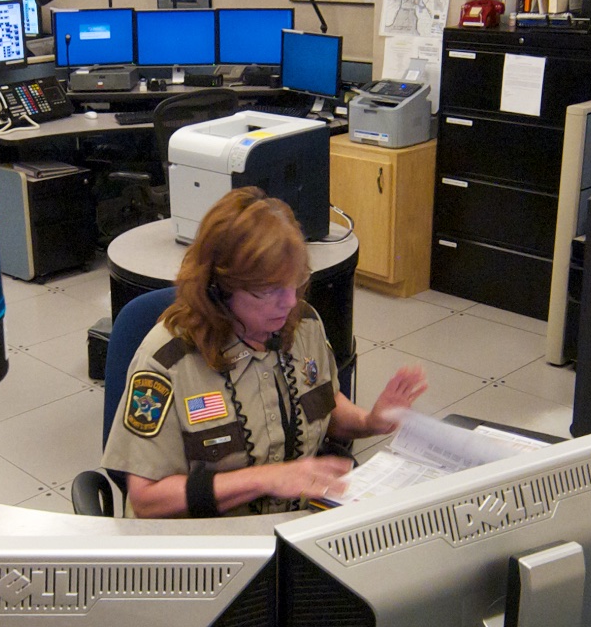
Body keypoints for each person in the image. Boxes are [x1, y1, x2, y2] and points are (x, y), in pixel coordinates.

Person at [103, 187, 427, 518]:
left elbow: (323, 404)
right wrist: (266, 479)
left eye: (295, 283)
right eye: (269, 290)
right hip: (206, 540)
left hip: (294, 525)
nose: (289, 302)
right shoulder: (166, 360)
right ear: (217, 289)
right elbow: (146, 499)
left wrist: (370, 422)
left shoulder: (303, 324)